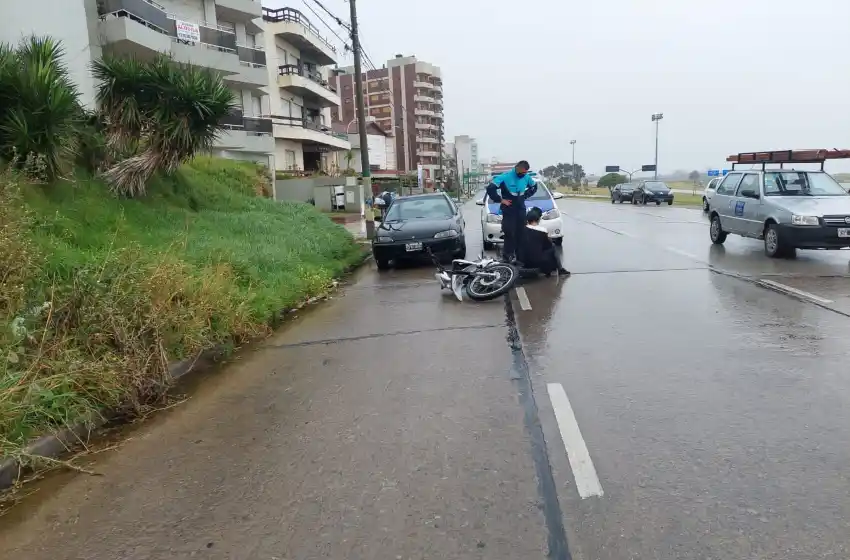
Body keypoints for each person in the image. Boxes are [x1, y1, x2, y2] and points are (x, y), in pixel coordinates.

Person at [486, 160, 537, 263]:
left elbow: (534, 187)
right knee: (509, 232)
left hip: (521, 209)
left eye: (525, 173)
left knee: (521, 233)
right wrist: (501, 200)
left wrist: (525, 196)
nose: (524, 175)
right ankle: (507, 257)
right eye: (522, 172)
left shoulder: (527, 177)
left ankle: (520, 257)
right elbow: (490, 188)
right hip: (509, 209)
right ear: (517, 168)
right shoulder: (505, 177)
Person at [521, 207, 570, 276]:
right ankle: (560, 269)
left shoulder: (522, 230)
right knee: (553, 247)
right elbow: (548, 245)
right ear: (538, 219)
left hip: (524, 261)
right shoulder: (542, 230)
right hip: (538, 262)